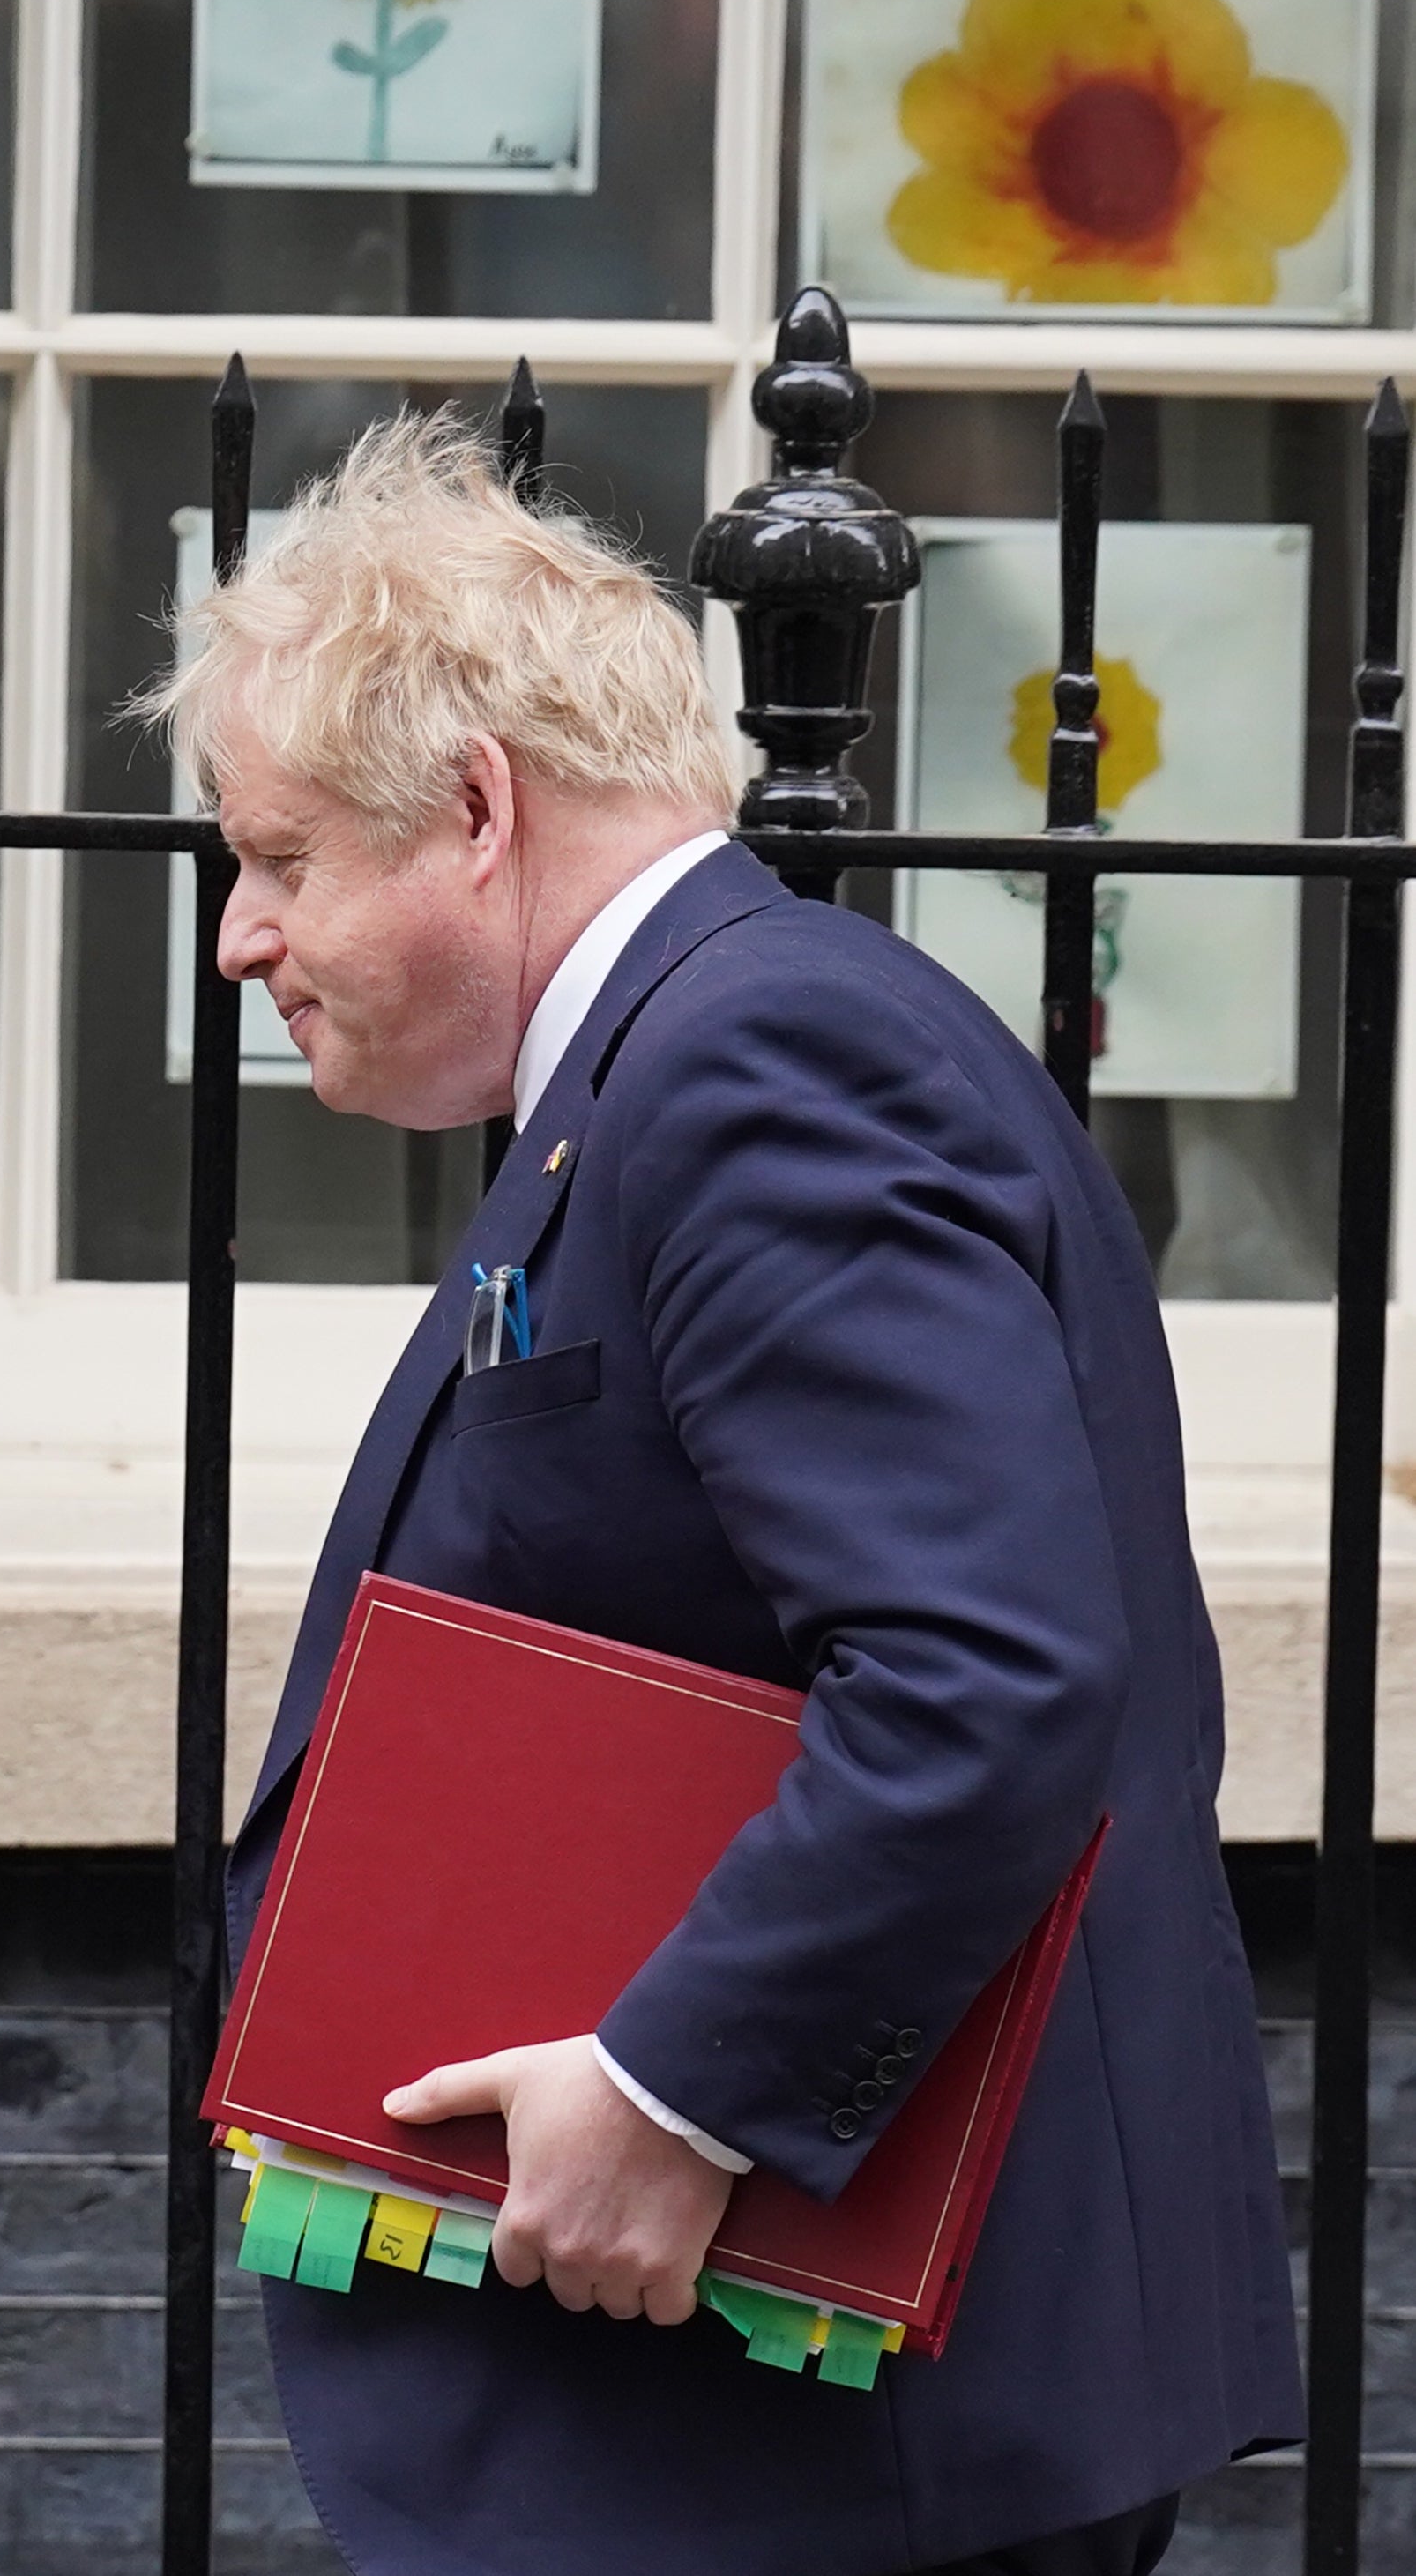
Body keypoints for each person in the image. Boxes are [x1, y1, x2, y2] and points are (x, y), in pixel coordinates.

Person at [141, 417, 1302, 2576]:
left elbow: (982, 1674)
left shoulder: (753, 1063)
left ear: (475, 810)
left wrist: (684, 2093)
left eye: (280, 858)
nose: (243, 936)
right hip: (772, 2434)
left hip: (828, 2450)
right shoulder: (691, 1057)